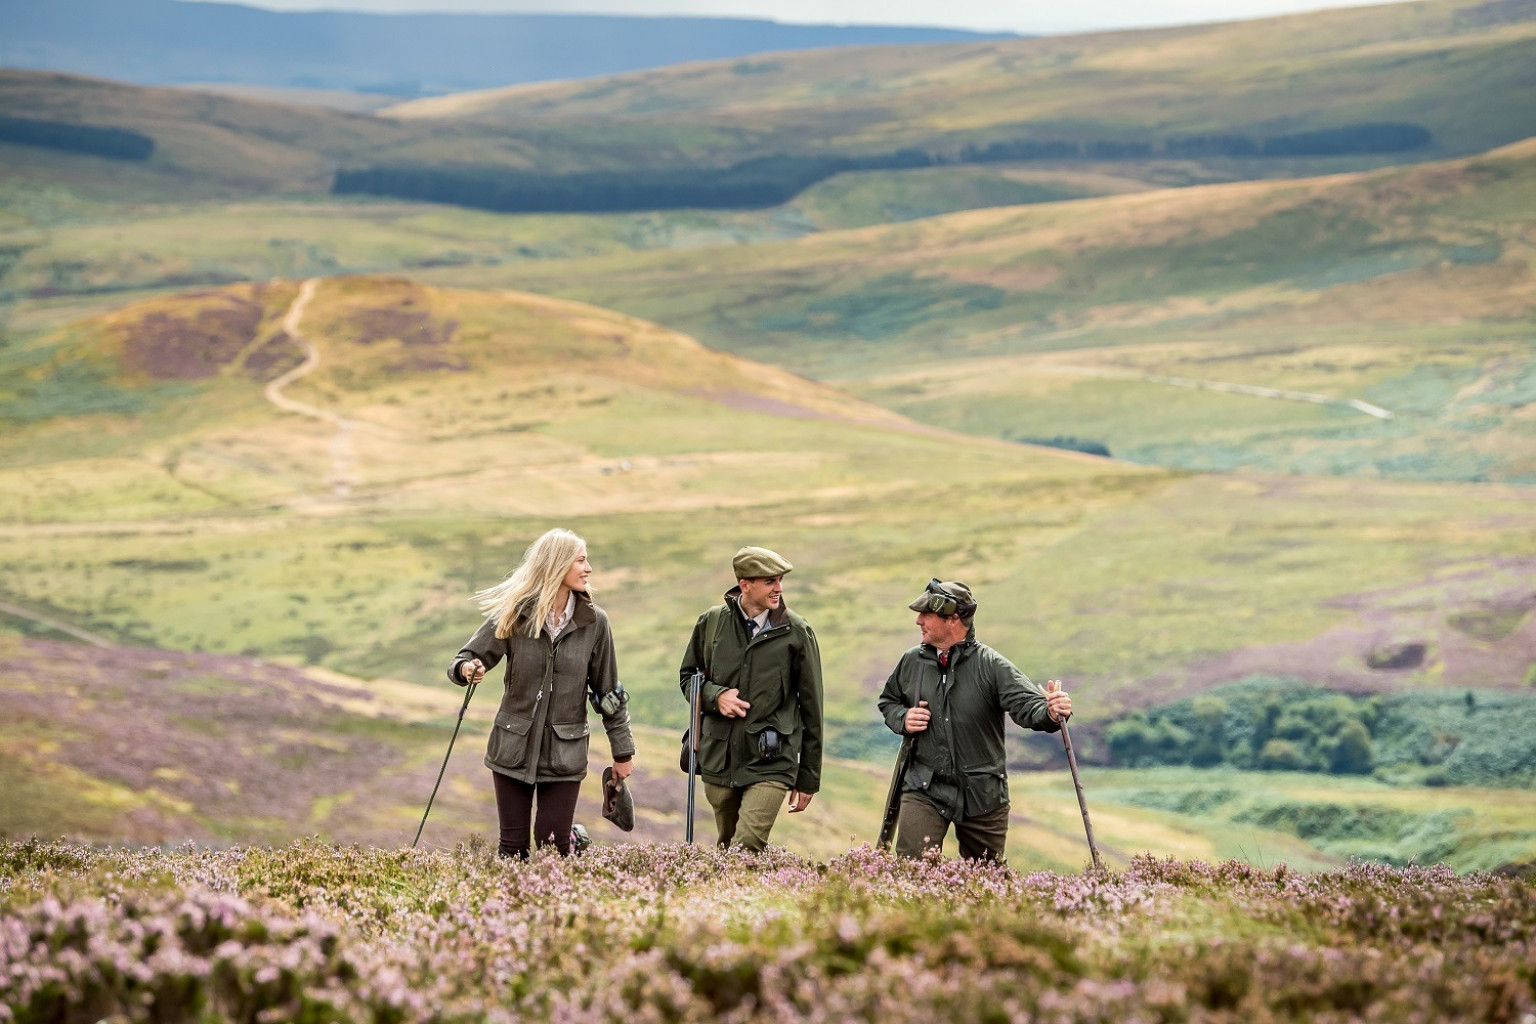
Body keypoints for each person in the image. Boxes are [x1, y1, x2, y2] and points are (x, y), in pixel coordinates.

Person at [448, 528, 635, 859]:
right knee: (513, 849)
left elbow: (609, 692)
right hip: (512, 748)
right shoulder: (514, 613)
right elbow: (464, 659)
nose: (588, 568)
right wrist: (467, 669)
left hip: (566, 752)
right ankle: (514, 910)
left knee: (553, 846)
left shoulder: (595, 623)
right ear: (557, 565)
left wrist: (623, 752)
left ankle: (564, 878)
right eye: (581, 559)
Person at [876, 578, 1072, 862]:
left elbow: (1030, 707)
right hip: (924, 786)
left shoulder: (991, 666)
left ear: (953, 618)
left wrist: (1053, 711)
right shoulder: (911, 661)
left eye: (926, 615)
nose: (918, 621)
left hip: (982, 795)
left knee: (986, 879)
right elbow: (888, 702)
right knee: (911, 872)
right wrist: (902, 717)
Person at [679, 546, 823, 851]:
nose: (779, 588)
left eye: (780, 580)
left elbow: (813, 710)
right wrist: (715, 697)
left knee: (746, 847)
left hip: (772, 760)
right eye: (770, 581)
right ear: (745, 585)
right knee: (727, 845)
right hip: (720, 758)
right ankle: (738, 898)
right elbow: (688, 678)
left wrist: (808, 778)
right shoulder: (711, 623)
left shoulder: (797, 632)